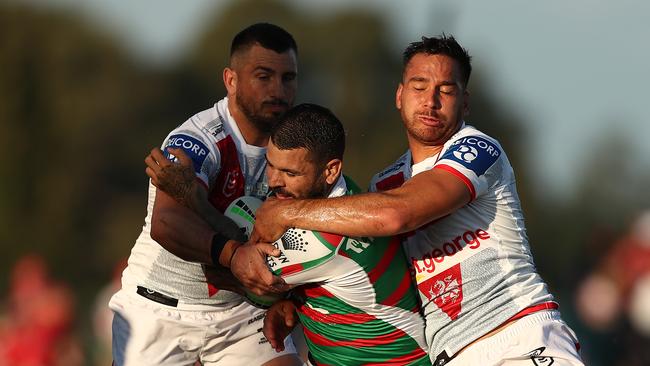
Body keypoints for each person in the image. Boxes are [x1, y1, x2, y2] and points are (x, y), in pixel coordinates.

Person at [243, 35, 585, 365]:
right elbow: (376, 272)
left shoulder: (477, 149)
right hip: (450, 355)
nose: (430, 101)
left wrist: (287, 212)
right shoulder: (385, 183)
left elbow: (397, 215)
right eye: (419, 87)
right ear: (400, 95)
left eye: (446, 91)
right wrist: (296, 303)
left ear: (464, 103)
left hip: (517, 336)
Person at [147, 103, 431, 365]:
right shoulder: (349, 195)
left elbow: (239, 269)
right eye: (270, 165)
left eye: (290, 173)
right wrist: (294, 301)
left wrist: (192, 196)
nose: (273, 181)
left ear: (330, 171)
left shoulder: (319, 242)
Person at [109, 23, 302, 366]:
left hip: (238, 314)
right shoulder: (196, 140)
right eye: (263, 76)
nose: (278, 90)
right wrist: (234, 256)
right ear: (231, 80)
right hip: (160, 309)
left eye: (288, 78)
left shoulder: (297, 144)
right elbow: (167, 223)